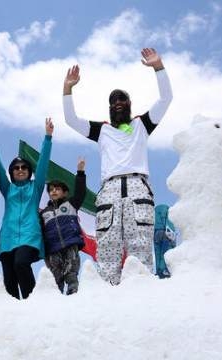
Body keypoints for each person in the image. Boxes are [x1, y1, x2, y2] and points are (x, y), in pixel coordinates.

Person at [62, 47, 172, 285]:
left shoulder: (142, 125)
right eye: (113, 101)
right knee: (108, 245)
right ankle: (108, 295)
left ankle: (141, 290)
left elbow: (166, 99)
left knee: (140, 243)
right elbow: (71, 120)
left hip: (137, 186)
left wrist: (158, 67)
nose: (118, 103)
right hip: (110, 189)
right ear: (109, 107)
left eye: (122, 99)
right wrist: (68, 89)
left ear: (129, 103)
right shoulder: (102, 130)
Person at [0, 119, 54, 299]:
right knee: (9, 280)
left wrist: (48, 137)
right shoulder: (8, 188)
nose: (20, 170)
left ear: (29, 171)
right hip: (8, 237)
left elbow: (43, 164)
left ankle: (33, 302)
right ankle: (14, 315)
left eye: (24, 167)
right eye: (16, 168)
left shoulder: (35, 187)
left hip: (29, 235)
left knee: (21, 263)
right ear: (12, 172)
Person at [40, 157, 88, 295]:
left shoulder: (71, 205)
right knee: (55, 278)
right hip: (53, 249)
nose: (54, 191)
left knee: (71, 274)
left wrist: (80, 172)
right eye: (51, 189)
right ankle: (57, 303)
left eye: (57, 189)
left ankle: (73, 297)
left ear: (65, 192)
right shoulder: (44, 213)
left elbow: (80, 192)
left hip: (70, 244)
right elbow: (41, 233)